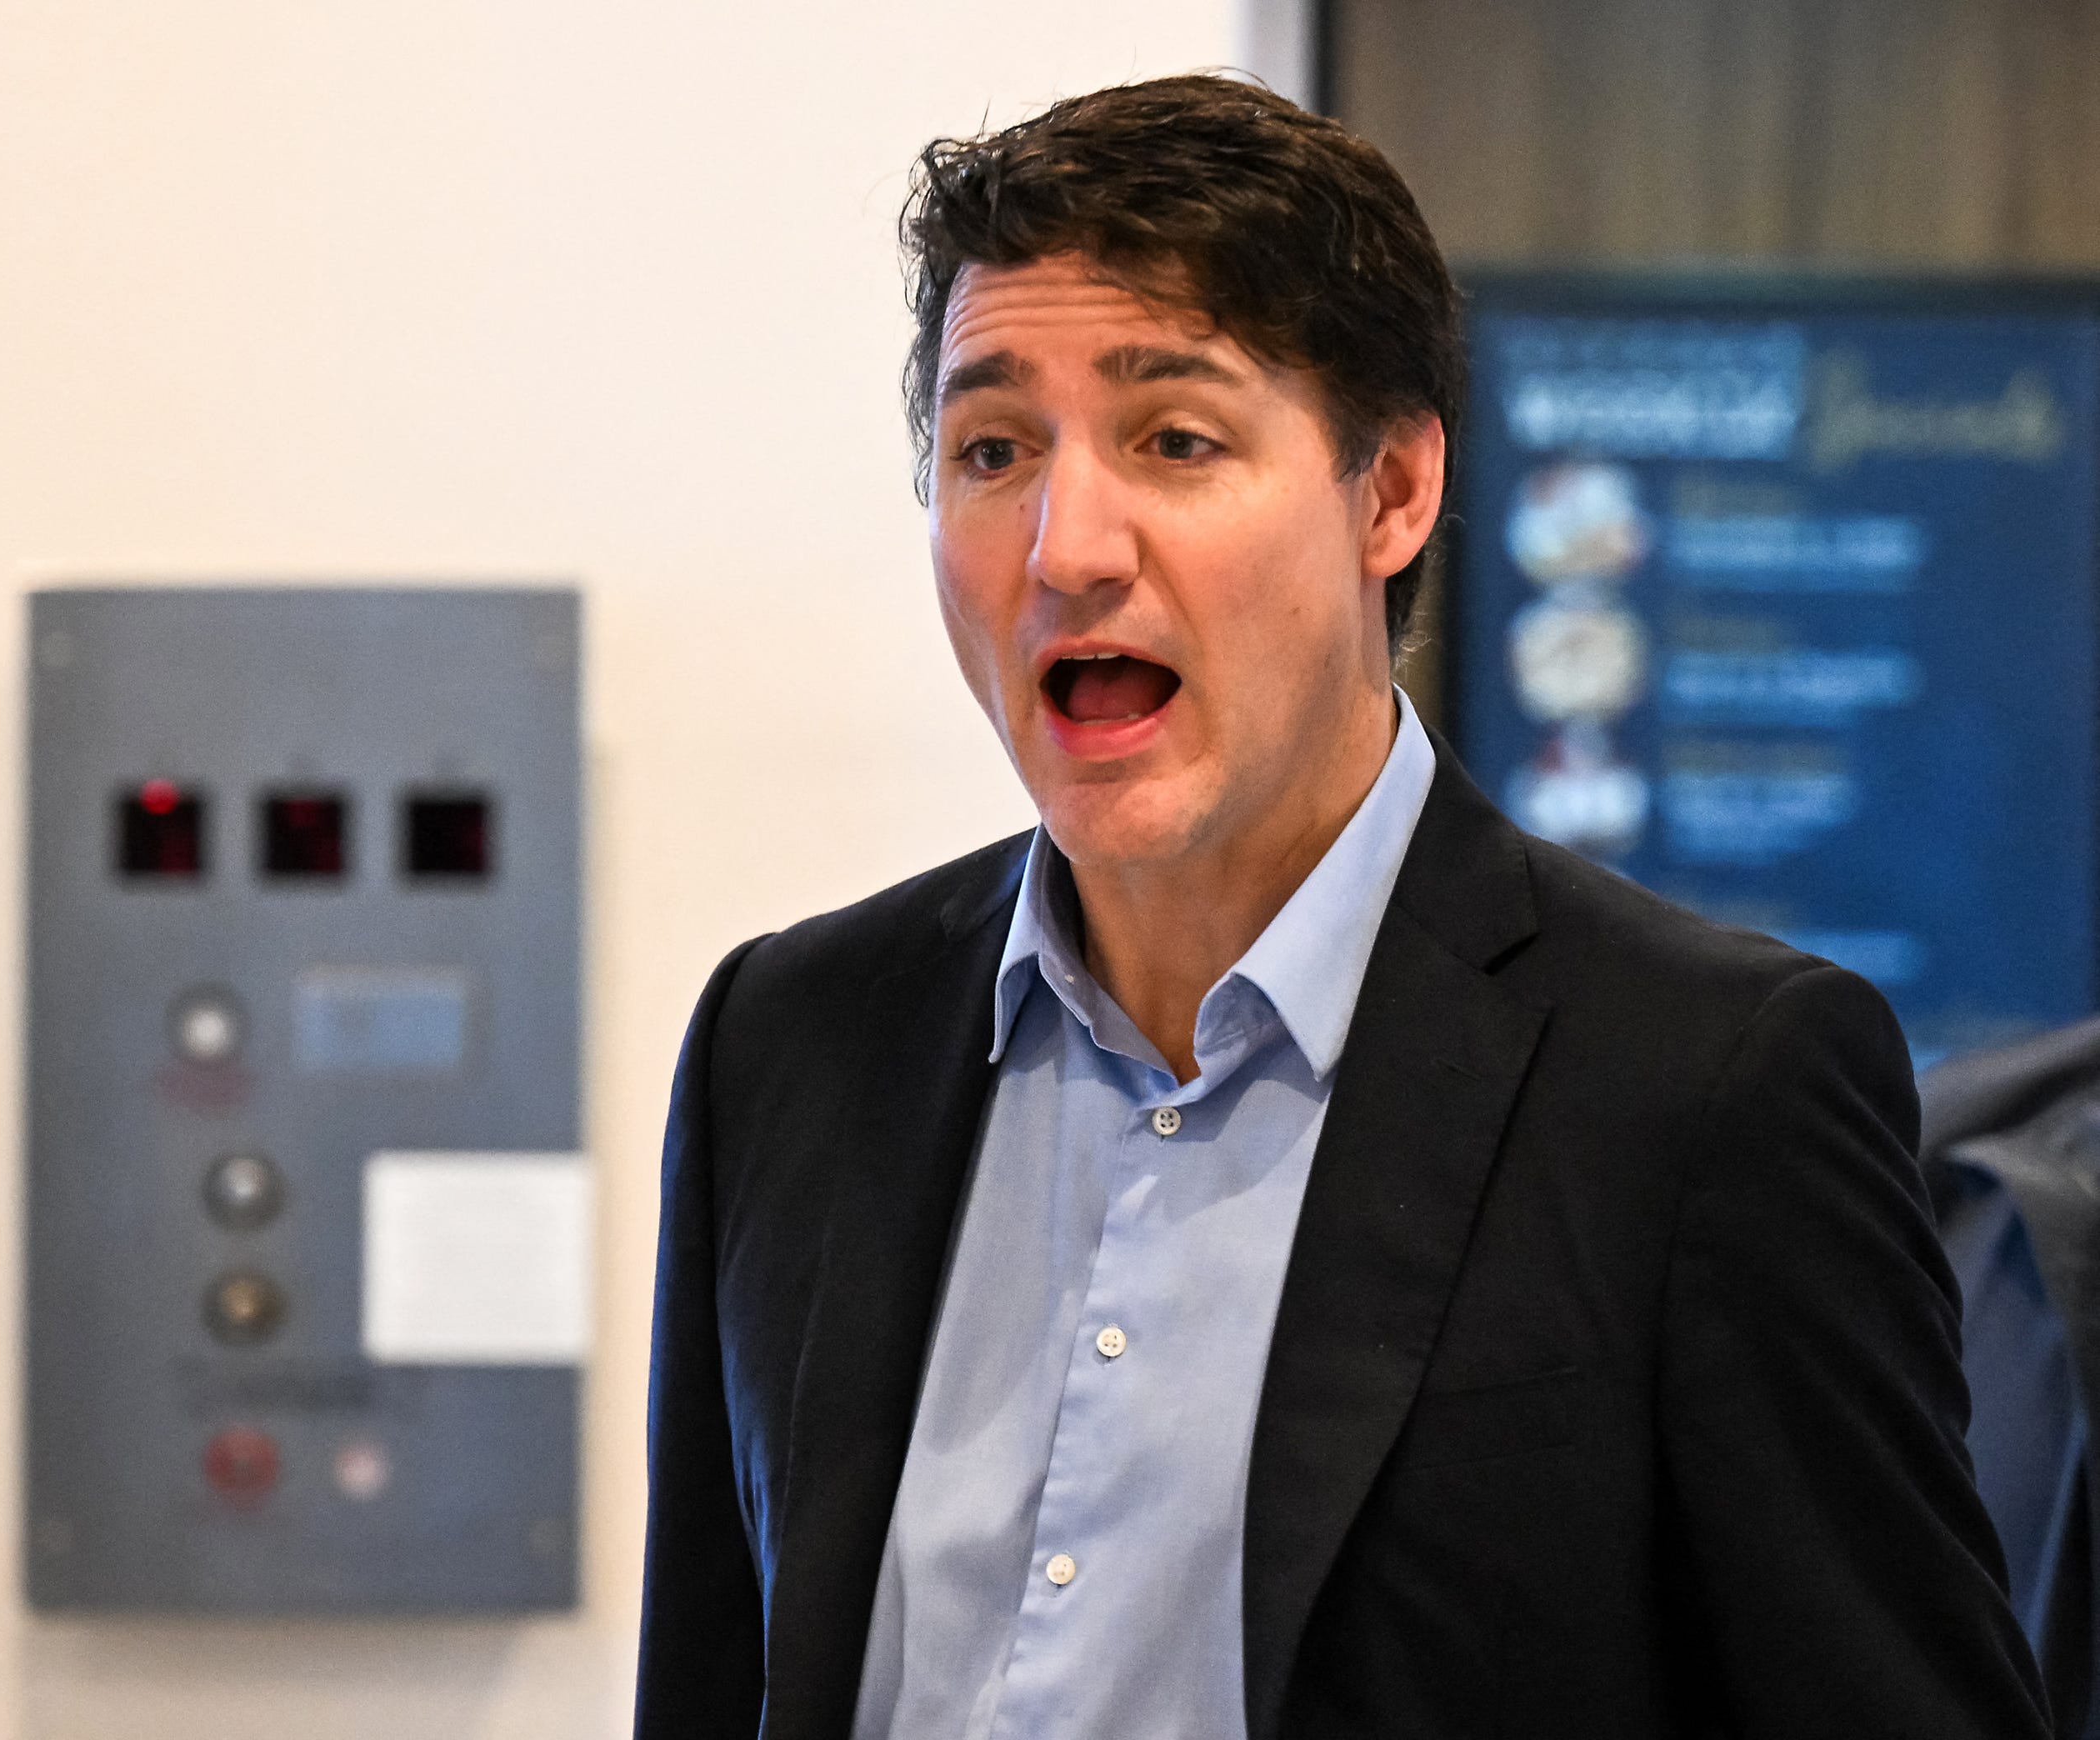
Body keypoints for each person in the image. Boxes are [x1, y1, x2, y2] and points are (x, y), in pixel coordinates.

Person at [633, 72, 2048, 1740]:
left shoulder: (1706, 1084)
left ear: (1391, 496)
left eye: (1173, 437)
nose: (1064, 545)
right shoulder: (789, 1045)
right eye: (991, 448)